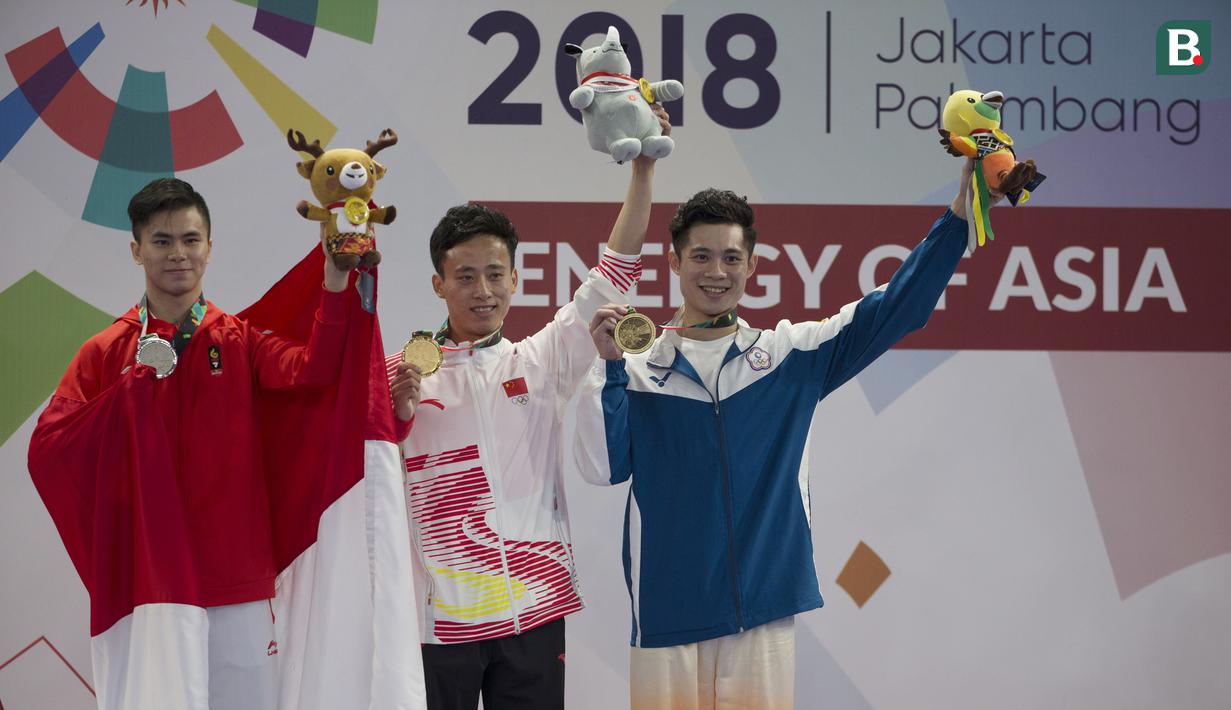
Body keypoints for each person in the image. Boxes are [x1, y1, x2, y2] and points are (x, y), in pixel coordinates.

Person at [572, 159, 997, 709]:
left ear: (751, 265)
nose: (716, 272)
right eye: (700, 256)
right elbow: (600, 468)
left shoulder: (788, 355)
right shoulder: (632, 367)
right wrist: (605, 369)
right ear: (674, 261)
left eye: (731, 257)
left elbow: (899, 307)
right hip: (666, 613)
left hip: (763, 611)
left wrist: (960, 215)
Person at [27, 178, 354, 710]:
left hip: (236, 582)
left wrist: (335, 281)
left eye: (190, 239)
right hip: (147, 587)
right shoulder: (105, 352)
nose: (178, 253)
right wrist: (126, 396)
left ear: (209, 247)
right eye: (161, 241)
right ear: (137, 250)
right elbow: (49, 449)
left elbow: (314, 372)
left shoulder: (240, 339)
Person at [385, 109, 671, 709]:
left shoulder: (539, 361)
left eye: (495, 274)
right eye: (465, 276)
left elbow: (613, 272)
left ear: (516, 279)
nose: (482, 291)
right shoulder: (398, 375)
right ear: (439, 284)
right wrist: (390, 419)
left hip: (536, 606)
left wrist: (643, 169)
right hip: (440, 620)